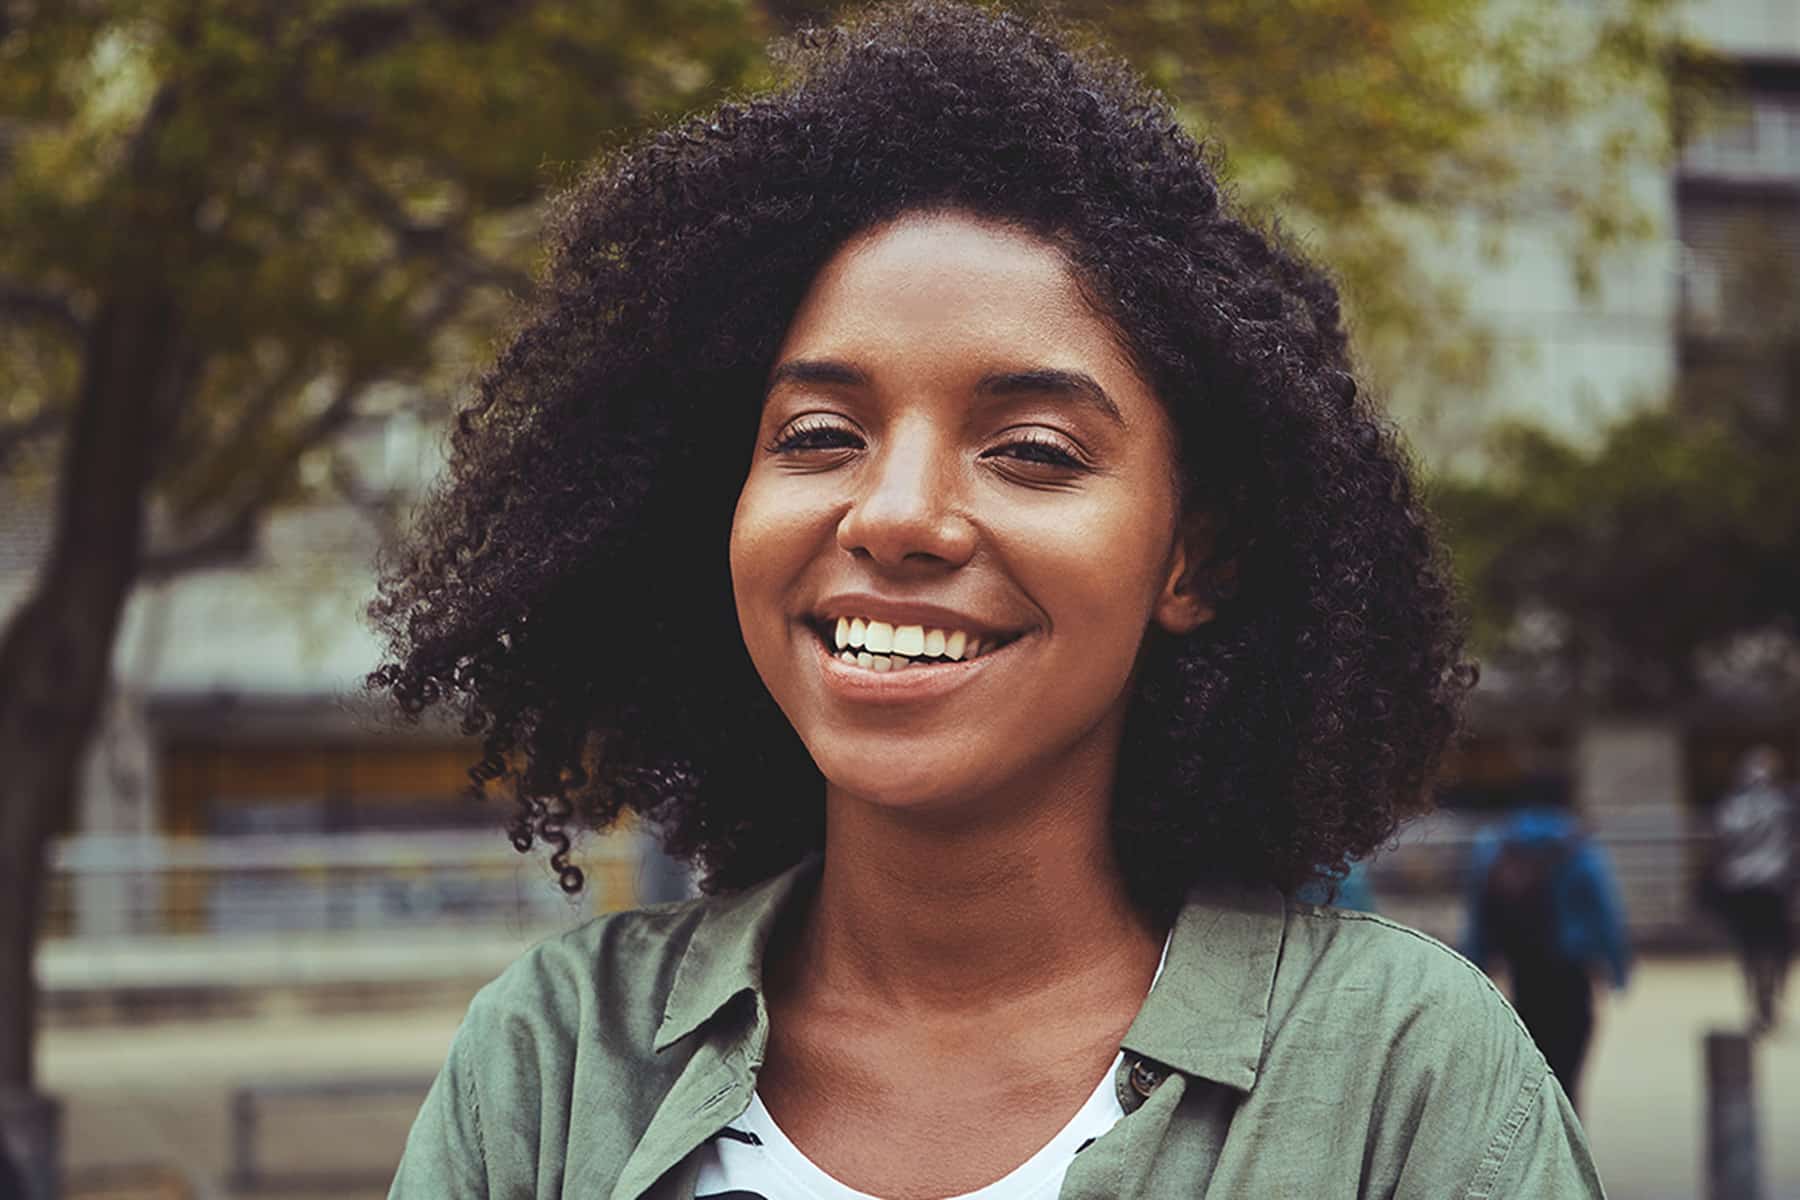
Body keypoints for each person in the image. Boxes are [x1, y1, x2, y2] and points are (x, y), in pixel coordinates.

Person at [372, 5, 1605, 1196]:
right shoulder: (550, 1061)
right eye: (817, 434)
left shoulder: (1410, 1081)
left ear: (1195, 560)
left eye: (1033, 450)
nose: (896, 515)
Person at [1464, 774, 1632, 1111]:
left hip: (1522, 969)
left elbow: (1479, 910)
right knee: (1568, 1067)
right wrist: (1617, 967)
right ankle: (1567, 1136)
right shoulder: (1578, 846)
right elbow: (1604, 910)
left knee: (1532, 1063)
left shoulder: (1496, 845)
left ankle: (1537, 1137)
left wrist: (1477, 963)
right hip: (1570, 970)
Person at [1713, 745, 1794, 1034]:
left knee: (1748, 948)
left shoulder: (1730, 808)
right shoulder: (1782, 804)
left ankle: (1755, 999)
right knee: (1776, 946)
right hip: (1773, 883)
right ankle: (1769, 995)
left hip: (1742, 885)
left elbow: (1722, 845)